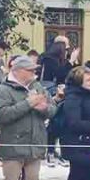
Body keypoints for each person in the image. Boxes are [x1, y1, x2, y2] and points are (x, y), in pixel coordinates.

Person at [0, 54, 58, 180]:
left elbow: (53, 110)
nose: (34, 73)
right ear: (19, 71)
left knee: (32, 179)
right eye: (30, 70)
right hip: (13, 143)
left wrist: (45, 108)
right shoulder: (4, 89)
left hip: (35, 141)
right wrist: (28, 104)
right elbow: (3, 114)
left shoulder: (37, 86)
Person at [40, 37, 71, 167]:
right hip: (52, 92)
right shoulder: (49, 60)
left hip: (60, 92)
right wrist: (71, 61)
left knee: (60, 123)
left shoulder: (52, 59)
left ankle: (55, 152)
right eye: (67, 48)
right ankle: (50, 152)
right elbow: (60, 74)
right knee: (55, 122)